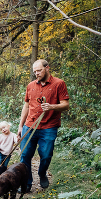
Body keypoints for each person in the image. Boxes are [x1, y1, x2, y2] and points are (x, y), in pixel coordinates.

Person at [18, 59, 70, 191]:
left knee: (46, 155)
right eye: (34, 71)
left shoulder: (59, 83)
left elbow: (66, 105)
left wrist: (51, 106)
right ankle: (26, 184)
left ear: (47, 68)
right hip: (29, 126)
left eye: (39, 70)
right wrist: (20, 126)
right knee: (25, 156)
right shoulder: (30, 86)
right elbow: (26, 106)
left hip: (49, 127)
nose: (36, 73)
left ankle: (42, 173)